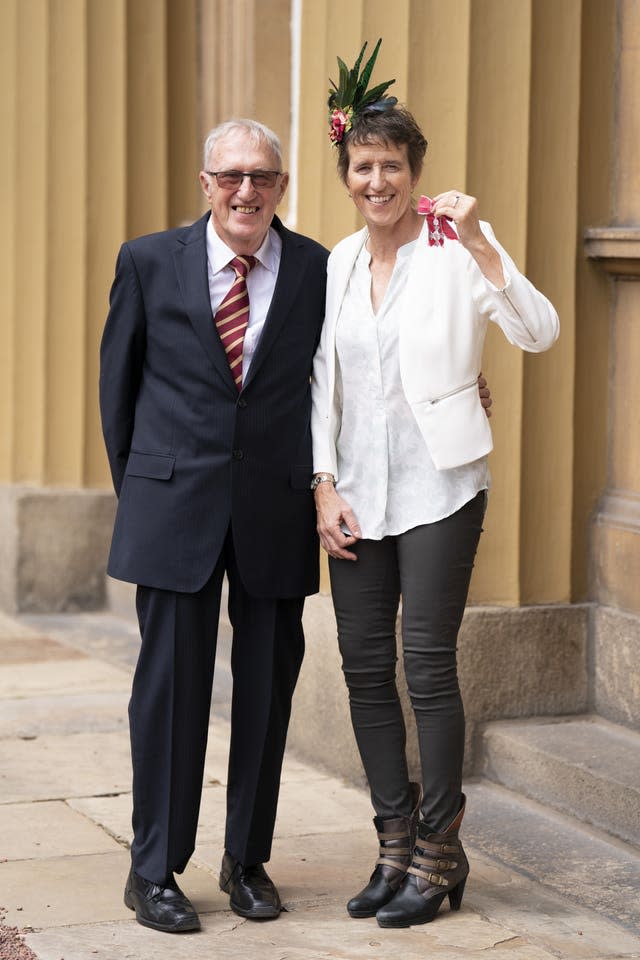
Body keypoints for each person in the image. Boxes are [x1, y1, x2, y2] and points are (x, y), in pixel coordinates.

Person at [311, 42, 559, 930]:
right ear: (346, 174)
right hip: (357, 495)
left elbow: (539, 331)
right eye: (363, 166)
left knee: (425, 666)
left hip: (444, 486)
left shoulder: (455, 249)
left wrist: (487, 244)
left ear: (417, 172)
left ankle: (441, 851)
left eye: (392, 166)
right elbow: (317, 386)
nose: (378, 180)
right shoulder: (336, 264)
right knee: (364, 669)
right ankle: (393, 845)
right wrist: (322, 484)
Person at [99, 119, 329, 932]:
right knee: (167, 696)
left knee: (266, 694)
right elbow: (117, 390)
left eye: (263, 176)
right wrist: (147, 495)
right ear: (205, 184)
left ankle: (247, 860)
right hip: (173, 509)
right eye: (231, 175)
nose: (246, 190)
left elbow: (349, 370)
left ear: (281, 187)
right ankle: (152, 869)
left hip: (274, 509)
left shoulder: (314, 269)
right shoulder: (147, 260)